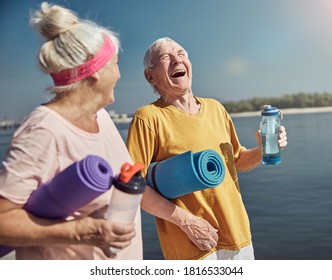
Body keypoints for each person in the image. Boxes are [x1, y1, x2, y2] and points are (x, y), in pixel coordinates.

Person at [0, 2, 142, 260]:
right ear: (96, 71)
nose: (120, 75)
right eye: (116, 64)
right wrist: (81, 232)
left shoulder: (102, 118)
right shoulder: (44, 130)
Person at [126, 37, 288, 260]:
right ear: (150, 76)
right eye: (165, 57)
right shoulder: (147, 118)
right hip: (190, 246)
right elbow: (132, 186)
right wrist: (187, 221)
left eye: (181, 54)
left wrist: (262, 151)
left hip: (238, 238)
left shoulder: (216, 108)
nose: (176, 60)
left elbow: (237, 161)